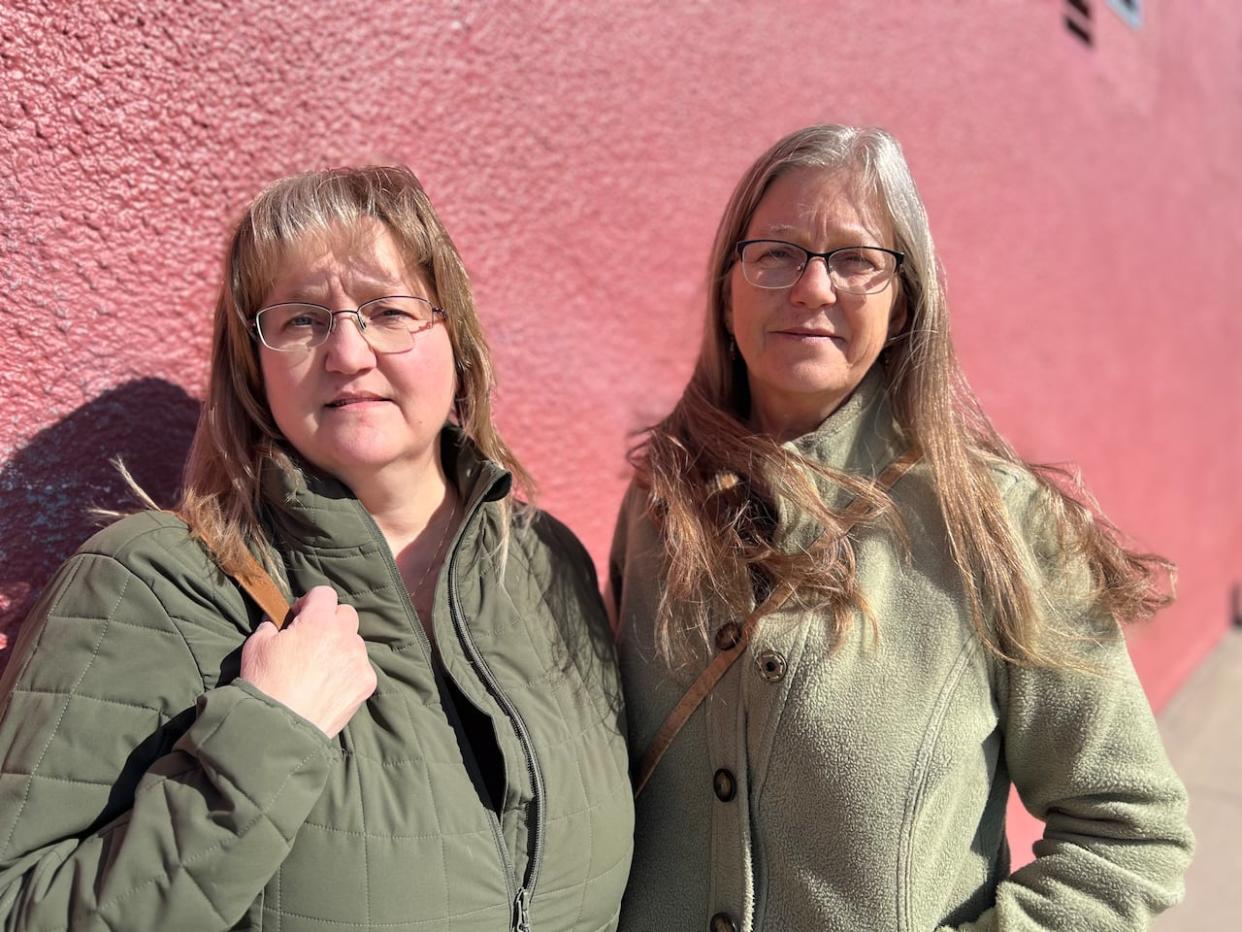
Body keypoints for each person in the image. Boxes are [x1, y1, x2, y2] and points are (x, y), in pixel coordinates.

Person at [0, 166, 633, 931]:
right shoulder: (149, 586)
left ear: (456, 339)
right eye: (300, 321)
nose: (348, 353)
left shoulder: (544, 564)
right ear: (253, 369)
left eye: (389, 310)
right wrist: (265, 737)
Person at [609, 125, 1192, 931]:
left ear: (904, 301)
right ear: (727, 290)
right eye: (776, 253)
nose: (813, 290)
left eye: (856, 260)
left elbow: (1129, 831)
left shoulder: (998, 527)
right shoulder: (658, 507)